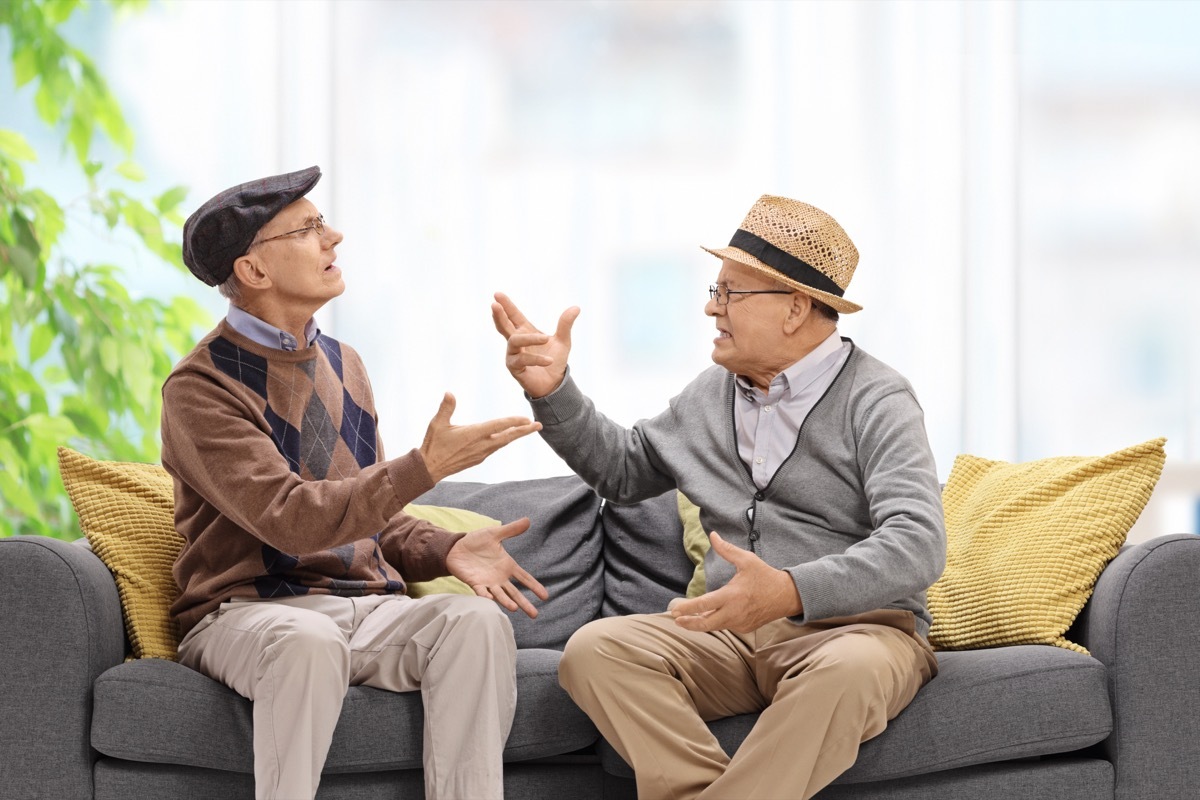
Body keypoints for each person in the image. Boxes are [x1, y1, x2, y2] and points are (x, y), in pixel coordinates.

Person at [492, 195, 946, 800]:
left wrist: (789, 591)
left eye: (731, 292)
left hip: (856, 634)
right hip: (728, 638)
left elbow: (918, 543)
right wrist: (554, 391)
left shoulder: (878, 398)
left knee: (850, 672)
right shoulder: (711, 394)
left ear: (795, 307)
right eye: (716, 290)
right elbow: (623, 472)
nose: (712, 307)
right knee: (595, 650)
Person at [162, 165, 547, 800]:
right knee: (308, 641)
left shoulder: (345, 363)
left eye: (322, 222)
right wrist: (424, 467)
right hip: (248, 613)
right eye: (307, 229)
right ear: (253, 270)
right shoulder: (201, 387)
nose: (333, 236)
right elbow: (290, 518)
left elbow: (369, 513)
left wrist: (446, 548)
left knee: (475, 624)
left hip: (364, 609)